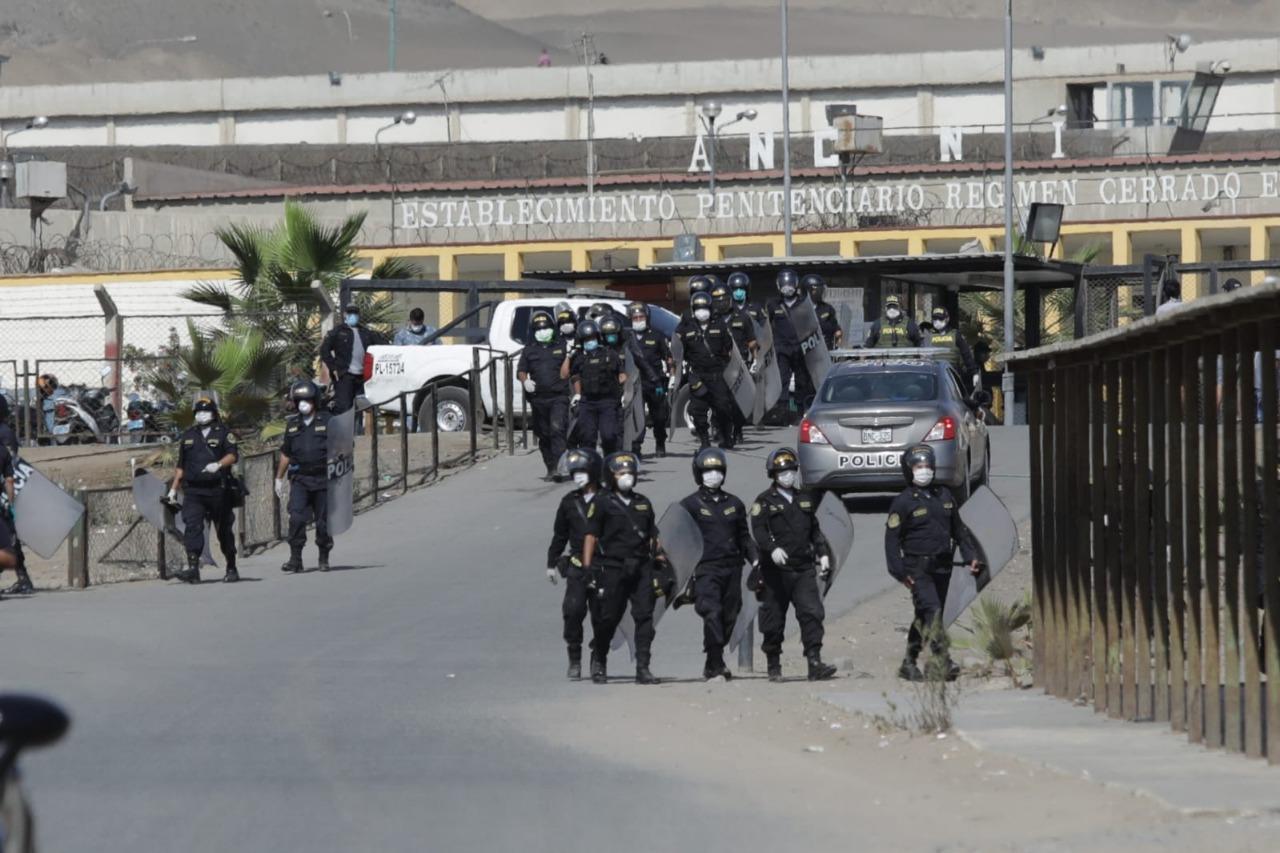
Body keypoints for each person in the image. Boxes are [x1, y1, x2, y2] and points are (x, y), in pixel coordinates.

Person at [884, 444, 980, 682]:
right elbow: (891, 542)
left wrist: (970, 556)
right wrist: (899, 572)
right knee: (934, 613)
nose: (924, 470)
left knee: (924, 616)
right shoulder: (903, 502)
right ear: (909, 470)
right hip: (918, 569)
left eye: (927, 466)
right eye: (918, 466)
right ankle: (941, 661)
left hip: (943, 566)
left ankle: (909, 662)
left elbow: (959, 530)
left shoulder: (945, 496)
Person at [749, 447, 838, 682]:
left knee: (812, 613)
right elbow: (758, 530)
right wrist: (771, 548)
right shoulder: (764, 502)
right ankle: (774, 664)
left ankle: (814, 662)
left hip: (803, 568)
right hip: (775, 572)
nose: (788, 475)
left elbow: (815, 531)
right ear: (774, 475)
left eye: (791, 471)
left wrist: (823, 553)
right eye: (782, 472)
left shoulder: (805, 499)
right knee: (773, 619)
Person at [581, 451, 666, 685]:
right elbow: (591, 536)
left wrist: (659, 556)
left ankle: (643, 667)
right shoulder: (602, 502)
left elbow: (652, 535)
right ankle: (599, 658)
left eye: (630, 473)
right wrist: (588, 568)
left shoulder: (643, 503)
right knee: (608, 617)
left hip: (641, 566)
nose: (627, 477)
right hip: (613, 567)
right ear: (611, 476)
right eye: (622, 473)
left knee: (645, 617)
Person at [681, 448, 758, 680]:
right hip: (706, 569)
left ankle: (712, 660)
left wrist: (756, 560)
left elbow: (744, 537)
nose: (713, 475)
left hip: (732, 568)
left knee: (729, 616)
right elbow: (680, 539)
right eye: (707, 471)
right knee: (712, 613)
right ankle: (718, 663)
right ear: (698, 474)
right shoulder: (690, 505)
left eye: (717, 471)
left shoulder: (734, 504)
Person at [168, 396, 239, 584]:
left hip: (217, 490)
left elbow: (233, 455)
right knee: (192, 527)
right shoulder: (189, 435)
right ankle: (193, 568)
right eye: (198, 412)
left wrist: (218, 464)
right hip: (193, 491)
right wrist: (173, 489)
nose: (201, 415)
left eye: (205, 411)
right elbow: (181, 465)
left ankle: (231, 566)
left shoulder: (223, 432)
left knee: (223, 530)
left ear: (214, 414)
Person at [545, 448, 603, 679]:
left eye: (583, 472)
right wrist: (551, 563)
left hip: (604, 567)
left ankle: (598, 658)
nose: (578, 476)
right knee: (573, 611)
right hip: (578, 566)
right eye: (575, 472)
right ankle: (574, 658)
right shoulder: (568, 503)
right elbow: (560, 535)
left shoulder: (608, 500)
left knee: (603, 617)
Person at [275, 380, 333, 574]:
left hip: (324, 478)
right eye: (299, 400)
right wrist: (279, 478)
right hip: (300, 478)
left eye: (307, 400)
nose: (303, 404)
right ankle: (295, 559)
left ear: (315, 401)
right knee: (297, 518)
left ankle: (323, 555)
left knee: (323, 522)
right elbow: (286, 453)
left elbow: (344, 447)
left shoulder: (328, 421)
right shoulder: (292, 424)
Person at [676, 290, 736, 449]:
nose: (701, 312)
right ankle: (704, 440)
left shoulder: (720, 325)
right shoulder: (685, 328)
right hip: (698, 375)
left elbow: (729, 347)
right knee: (697, 411)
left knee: (723, 408)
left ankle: (726, 437)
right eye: (697, 308)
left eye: (704, 308)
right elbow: (677, 348)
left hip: (717, 375)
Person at [519, 312, 572, 479]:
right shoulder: (529, 350)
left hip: (558, 397)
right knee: (544, 433)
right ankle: (550, 466)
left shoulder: (561, 346)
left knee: (557, 428)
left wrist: (569, 356)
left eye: (546, 328)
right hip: (538, 399)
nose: (543, 331)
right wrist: (525, 381)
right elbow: (521, 371)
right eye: (539, 329)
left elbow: (566, 374)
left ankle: (560, 465)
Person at [565, 319, 627, 455]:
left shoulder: (610, 355)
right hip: (588, 402)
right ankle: (591, 465)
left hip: (608, 402)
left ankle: (610, 461)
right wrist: (577, 394)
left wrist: (624, 392)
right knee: (587, 437)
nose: (589, 341)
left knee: (609, 435)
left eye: (592, 338)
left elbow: (622, 374)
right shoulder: (579, 358)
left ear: (598, 338)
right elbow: (571, 375)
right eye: (586, 339)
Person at [764, 269, 816, 423]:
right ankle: (783, 413)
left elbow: (812, 325)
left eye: (790, 283)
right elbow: (766, 325)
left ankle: (799, 413)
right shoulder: (773, 305)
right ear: (779, 285)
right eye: (784, 283)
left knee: (802, 381)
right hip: (782, 348)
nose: (787, 286)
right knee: (782, 380)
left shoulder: (803, 303)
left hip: (800, 349)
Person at [625, 301, 671, 458]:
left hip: (655, 382)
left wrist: (671, 375)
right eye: (635, 317)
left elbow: (668, 357)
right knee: (637, 417)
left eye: (641, 317)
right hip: (635, 383)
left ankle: (660, 443)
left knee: (659, 416)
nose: (638, 320)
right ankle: (636, 447)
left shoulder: (657, 335)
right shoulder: (627, 337)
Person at [320, 304, 383, 416]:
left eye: (355, 313)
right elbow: (324, 350)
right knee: (345, 407)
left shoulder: (365, 332)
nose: (353, 316)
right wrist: (333, 368)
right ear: (345, 315)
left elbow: (381, 345)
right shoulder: (338, 332)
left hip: (362, 377)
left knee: (360, 407)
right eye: (350, 313)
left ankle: (357, 432)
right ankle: (345, 432)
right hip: (345, 376)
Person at [715, 278, 756, 445]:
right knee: (719, 400)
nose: (721, 303)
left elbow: (752, 341)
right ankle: (720, 430)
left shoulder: (743, 318)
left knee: (736, 402)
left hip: (738, 365)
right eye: (717, 301)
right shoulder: (712, 320)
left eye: (724, 300)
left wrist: (755, 360)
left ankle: (738, 429)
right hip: (718, 365)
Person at [0, 397, 32, 595]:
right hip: (5, 493)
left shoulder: (4, 433)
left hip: (4, 493)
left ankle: (23, 579)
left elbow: (12, 467)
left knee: (9, 539)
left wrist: (9, 501)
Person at [922, 305, 977, 383]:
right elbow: (923, 356)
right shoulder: (929, 335)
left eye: (940, 318)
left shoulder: (955, 334)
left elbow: (966, 354)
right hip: (933, 375)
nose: (937, 321)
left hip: (952, 375)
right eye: (935, 318)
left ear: (947, 319)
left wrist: (974, 372)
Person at [802, 273, 843, 350]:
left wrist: (838, 332)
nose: (822, 293)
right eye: (820, 290)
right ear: (812, 291)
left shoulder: (827, 308)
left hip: (826, 351)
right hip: (806, 353)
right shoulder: (798, 309)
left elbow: (835, 327)